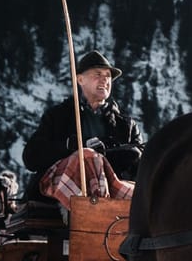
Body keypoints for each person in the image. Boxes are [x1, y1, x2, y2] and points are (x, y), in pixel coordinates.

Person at [23, 49, 143, 207]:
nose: (104, 80)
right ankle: (90, 212)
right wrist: (69, 146)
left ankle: (98, 210)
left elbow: (143, 169)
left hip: (111, 190)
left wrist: (132, 156)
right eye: (97, 74)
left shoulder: (126, 126)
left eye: (108, 76)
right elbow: (31, 158)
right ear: (80, 79)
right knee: (87, 156)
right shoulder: (57, 116)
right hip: (61, 191)